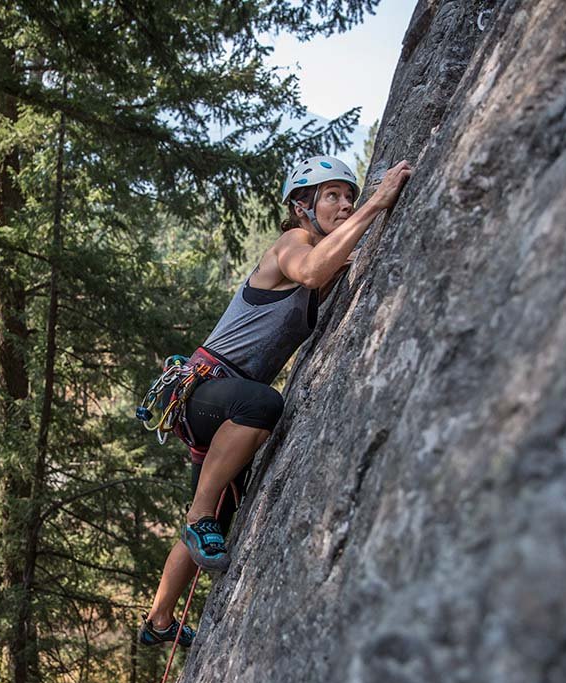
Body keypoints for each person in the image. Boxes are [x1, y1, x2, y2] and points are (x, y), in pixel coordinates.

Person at [138, 154, 414, 648]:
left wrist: (361, 222)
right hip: (210, 390)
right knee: (263, 406)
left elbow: (329, 268)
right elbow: (309, 272)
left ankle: (158, 621)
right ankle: (202, 521)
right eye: (332, 195)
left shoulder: (324, 252)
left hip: (218, 401)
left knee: (217, 508)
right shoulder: (294, 242)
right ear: (302, 206)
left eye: (348, 195)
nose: (344, 204)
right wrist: (377, 204)